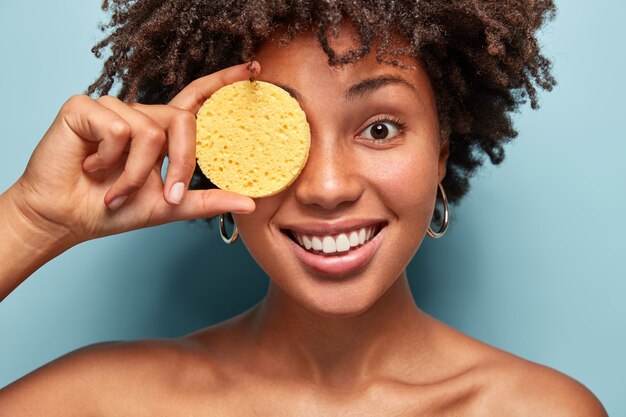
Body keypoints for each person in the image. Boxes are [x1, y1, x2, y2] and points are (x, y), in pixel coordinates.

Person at [0, 0, 608, 415]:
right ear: (217, 153)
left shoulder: (538, 409)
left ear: (441, 152)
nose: (326, 187)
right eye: (272, 131)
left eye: (378, 129)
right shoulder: (103, 403)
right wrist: (30, 221)